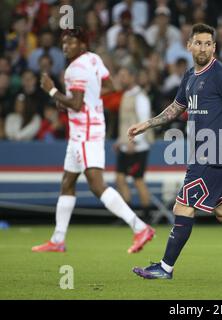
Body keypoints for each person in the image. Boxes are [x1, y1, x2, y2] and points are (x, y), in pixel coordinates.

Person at [128, 23, 222, 280]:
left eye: (208, 43)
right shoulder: (189, 76)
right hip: (203, 153)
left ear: (214, 47)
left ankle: (165, 268)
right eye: (198, 43)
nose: (203, 48)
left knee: (183, 206)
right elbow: (176, 108)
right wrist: (147, 124)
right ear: (189, 45)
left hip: (212, 153)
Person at [32, 27, 154, 253]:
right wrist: (83, 98)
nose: (65, 46)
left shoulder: (74, 69)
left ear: (82, 45)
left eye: (70, 43)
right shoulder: (94, 59)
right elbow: (109, 87)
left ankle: (140, 227)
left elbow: (77, 104)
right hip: (86, 130)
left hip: (86, 132)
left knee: (97, 186)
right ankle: (58, 239)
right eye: (64, 43)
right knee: (67, 183)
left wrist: (52, 91)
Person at [114, 66, 153, 223]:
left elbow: (143, 120)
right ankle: (127, 215)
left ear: (131, 77)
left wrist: (135, 142)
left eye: (123, 75)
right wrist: (120, 141)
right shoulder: (126, 95)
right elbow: (125, 122)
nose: (121, 79)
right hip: (125, 144)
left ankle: (147, 216)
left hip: (138, 147)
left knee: (138, 180)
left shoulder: (140, 97)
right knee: (120, 179)